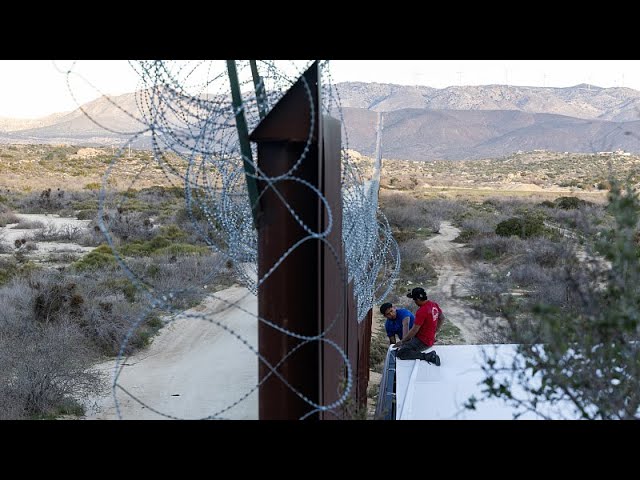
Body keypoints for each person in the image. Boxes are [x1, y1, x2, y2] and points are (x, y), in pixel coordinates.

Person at [394, 287, 444, 366]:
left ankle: (428, 356)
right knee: (407, 344)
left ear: (417, 299)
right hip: (429, 338)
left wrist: (402, 341)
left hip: (423, 341)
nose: (414, 302)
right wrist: (435, 332)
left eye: (414, 299)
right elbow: (441, 318)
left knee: (401, 353)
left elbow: (414, 330)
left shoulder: (422, 311)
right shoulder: (434, 304)